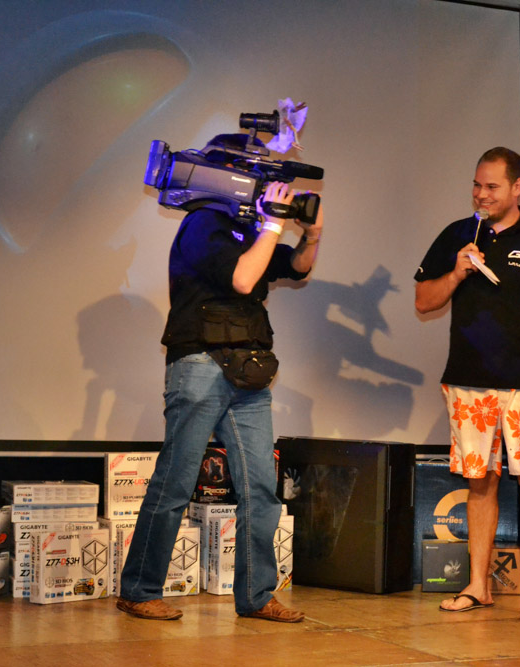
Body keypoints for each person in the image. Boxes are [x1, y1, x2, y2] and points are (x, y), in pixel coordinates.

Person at [116, 139, 323, 623]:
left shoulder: (249, 230)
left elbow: (294, 267)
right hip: (200, 366)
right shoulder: (203, 224)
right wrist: (271, 225)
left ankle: (256, 596)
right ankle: (139, 589)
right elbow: (244, 279)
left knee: (261, 489)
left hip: (248, 371)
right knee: (175, 483)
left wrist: (311, 236)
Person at [414, 147, 520, 622]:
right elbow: (424, 301)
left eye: (491, 186)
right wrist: (457, 272)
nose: (481, 194)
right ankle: (478, 584)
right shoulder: (457, 234)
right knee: (479, 480)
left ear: (516, 187)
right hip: (469, 380)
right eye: (476, 185)